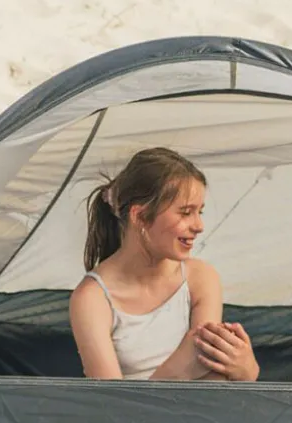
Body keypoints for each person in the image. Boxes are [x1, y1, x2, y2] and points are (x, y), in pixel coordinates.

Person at [69, 147, 259, 382]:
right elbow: (111, 401)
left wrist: (247, 372)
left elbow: (211, 378)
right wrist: (174, 372)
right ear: (140, 216)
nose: (199, 226)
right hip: (134, 407)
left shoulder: (200, 278)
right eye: (185, 213)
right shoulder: (92, 298)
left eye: (200, 212)